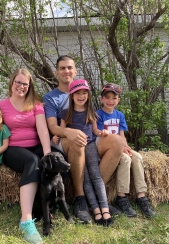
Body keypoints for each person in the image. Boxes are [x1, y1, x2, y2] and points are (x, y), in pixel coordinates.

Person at [0, 68, 51, 244]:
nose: (21, 86)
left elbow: (43, 130)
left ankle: (47, 207)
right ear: (12, 83)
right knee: (32, 161)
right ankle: (26, 220)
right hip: (12, 148)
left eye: (25, 83)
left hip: (35, 145)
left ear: (29, 86)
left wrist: (47, 152)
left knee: (55, 158)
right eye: (18, 82)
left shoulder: (36, 105)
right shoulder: (1, 106)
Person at [43, 55, 124, 223]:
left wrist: (103, 133)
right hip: (66, 140)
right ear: (57, 72)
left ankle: (94, 196)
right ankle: (80, 197)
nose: (66, 71)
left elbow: (94, 122)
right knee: (77, 140)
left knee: (117, 141)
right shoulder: (51, 97)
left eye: (69, 67)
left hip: (91, 139)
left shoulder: (84, 95)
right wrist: (68, 132)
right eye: (63, 68)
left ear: (75, 71)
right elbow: (53, 127)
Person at [53, 79, 114, 227]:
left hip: (91, 145)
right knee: (85, 177)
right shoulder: (66, 113)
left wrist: (102, 132)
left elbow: (94, 130)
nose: (81, 96)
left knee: (95, 174)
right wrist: (57, 136)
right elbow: (62, 130)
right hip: (76, 148)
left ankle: (104, 207)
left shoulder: (90, 110)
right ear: (72, 95)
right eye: (78, 93)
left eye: (84, 93)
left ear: (88, 95)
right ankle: (95, 209)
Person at [96, 83, 156, 218]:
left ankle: (142, 196)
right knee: (125, 159)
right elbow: (100, 137)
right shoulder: (98, 115)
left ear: (118, 100)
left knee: (137, 157)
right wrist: (121, 150)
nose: (110, 101)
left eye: (114, 98)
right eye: (107, 97)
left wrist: (126, 147)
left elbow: (121, 135)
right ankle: (121, 197)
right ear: (101, 99)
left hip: (121, 146)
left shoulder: (120, 115)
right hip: (108, 149)